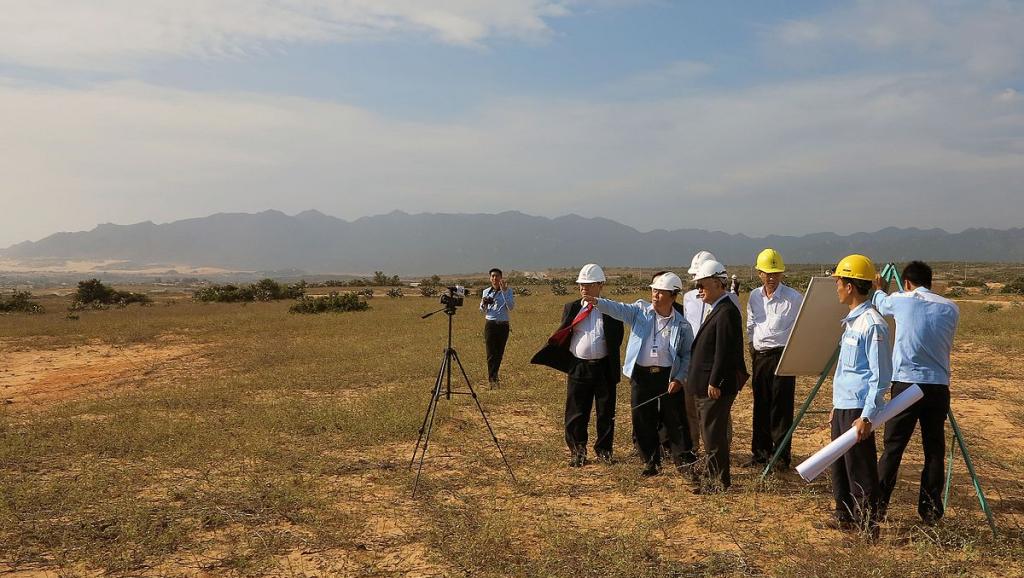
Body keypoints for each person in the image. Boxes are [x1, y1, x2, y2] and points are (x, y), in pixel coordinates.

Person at [873, 261, 959, 524]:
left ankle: (875, 510)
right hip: (938, 386)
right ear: (930, 282)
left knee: (893, 448)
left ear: (907, 283)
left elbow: (879, 301)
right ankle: (931, 512)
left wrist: (879, 286)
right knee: (934, 451)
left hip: (907, 384)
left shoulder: (901, 300)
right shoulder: (951, 308)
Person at [584, 272, 695, 477]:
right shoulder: (640, 312)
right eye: (654, 290)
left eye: (661, 293)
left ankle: (684, 464)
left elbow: (687, 354)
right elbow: (618, 308)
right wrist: (598, 302)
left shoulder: (682, 324)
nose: (655, 295)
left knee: (675, 420)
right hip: (641, 376)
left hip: (668, 377)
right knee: (642, 419)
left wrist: (680, 377)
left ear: (673, 296)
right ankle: (651, 461)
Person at [531, 264, 625, 466]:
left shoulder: (612, 309)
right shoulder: (572, 308)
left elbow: (617, 338)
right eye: (581, 284)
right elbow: (564, 332)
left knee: (605, 412)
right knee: (576, 411)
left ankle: (604, 451)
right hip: (579, 367)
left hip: (604, 367)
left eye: (589, 284)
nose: (584, 288)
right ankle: (577, 451)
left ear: (600, 285)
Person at [826, 254, 891, 535]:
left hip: (858, 410)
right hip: (844, 405)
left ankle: (868, 526)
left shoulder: (872, 324)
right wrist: (835, 406)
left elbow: (880, 376)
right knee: (840, 467)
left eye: (839, 281)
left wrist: (867, 415)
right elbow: (845, 371)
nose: (836, 287)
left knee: (861, 469)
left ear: (850, 286)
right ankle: (845, 517)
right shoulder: (851, 321)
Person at [686, 260, 747, 493]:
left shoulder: (726, 312)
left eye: (702, 285)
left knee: (713, 435)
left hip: (714, 387)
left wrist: (716, 381)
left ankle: (717, 482)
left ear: (718, 284)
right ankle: (715, 479)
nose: (699, 290)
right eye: (697, 285)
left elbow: (725, 351)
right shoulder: (718, 309)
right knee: (710, 432)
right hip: (705, 384)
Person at [745, 248, 803, 469]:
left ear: (781, 274)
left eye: (775, 273)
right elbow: (751, 325)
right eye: (767, 273)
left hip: (783, 357)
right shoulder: (753, 297)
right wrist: (753, 346)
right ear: (759, 273)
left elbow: (801, 326)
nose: (771, 278)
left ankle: (780, 456)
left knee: (781, 408)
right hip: (760, 357)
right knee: (761, 405)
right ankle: (760, 453)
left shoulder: (793, 298)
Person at [681, 251, 739, 453]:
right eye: (696, 280)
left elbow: (725, 345)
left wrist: (716, 378)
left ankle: (720, 448)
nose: (698, 285)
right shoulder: (689, 298)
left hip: (713, 369)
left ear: (715, 281)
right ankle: (696, 447)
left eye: (702, 281)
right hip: (695, 362)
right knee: (693, 409)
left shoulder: (728, 304)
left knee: (716, 415)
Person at [479, 268, 514, 385]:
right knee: (490, 352)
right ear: (490, 278)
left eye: (497, 276)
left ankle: (495, 374)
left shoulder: (508, 291)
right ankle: (492, 379)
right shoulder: (486, 292)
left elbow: (510, 307)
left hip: (503, 325)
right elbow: (481, 310)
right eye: (492, 276)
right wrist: (484, 303)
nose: (495, 278)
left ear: (501, 278)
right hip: (490, 324)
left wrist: (504, 292)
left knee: (499, 352)